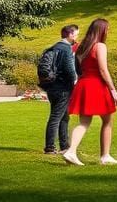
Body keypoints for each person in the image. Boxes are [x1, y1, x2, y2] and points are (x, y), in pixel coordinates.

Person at [63, 18, 117, 166]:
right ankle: (105, 156)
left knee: (84, 122)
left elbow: (78, 67)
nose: (108, 31)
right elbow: (103, 69)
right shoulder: (100, 46)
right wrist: (113, 89)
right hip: (97, 85)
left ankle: (71, 151)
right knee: (107, 121)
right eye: (107, 29)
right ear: (101, 30)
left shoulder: (81, 46)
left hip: (84, 83)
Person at [44, 24, 79, 155]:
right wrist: (75, 81)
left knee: (64, 117)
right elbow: (70, 69)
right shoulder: (66, 49)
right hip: (63, 87)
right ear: (70, 35)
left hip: (51, 86)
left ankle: (64, 145)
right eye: (76, 34)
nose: (77, 37)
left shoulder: (54, 47)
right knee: (56, 117)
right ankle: (50, 147)